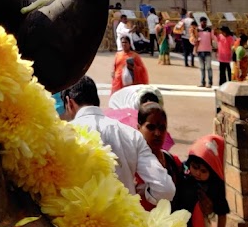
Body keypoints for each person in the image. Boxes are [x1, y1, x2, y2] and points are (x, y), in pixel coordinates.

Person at [60, 76, 175, 205]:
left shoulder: (63, 134)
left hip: (75, 221)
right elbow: (165, 189)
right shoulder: (132, 135)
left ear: (69, 103)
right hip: (125, 220)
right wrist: (142, 193)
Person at [135, 102, 185, 211]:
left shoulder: (173, 162)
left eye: (162, 128)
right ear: (139, 128)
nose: (157, 133)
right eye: (151, 127)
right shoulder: (130, 165)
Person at [195, 17, 213, 88]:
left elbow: (211, 39)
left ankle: (210, 83)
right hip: (200, 51)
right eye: (203, 22)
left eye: (205, 22)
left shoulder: (209, 30)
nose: (204, 23)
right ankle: (202, 82)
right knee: (202, 68)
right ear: (200, 22)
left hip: (207, 50)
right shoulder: (197, 30)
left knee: (208, 67)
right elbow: (195, 39)